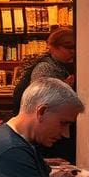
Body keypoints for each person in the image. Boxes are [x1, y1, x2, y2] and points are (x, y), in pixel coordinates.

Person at [12, 28, 76, 160]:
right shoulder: (45, 67)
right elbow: (41, 98)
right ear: (53, 47)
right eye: (68, 47)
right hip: (44, 128)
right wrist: (65, 88)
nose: (73, 52)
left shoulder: (59, 65)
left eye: (75, 48)